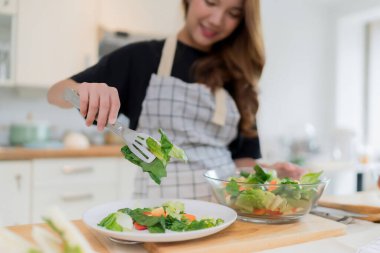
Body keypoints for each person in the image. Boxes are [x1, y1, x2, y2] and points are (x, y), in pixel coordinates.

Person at [47, 0, 304, 200]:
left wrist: (270, 173)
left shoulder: (238, 77)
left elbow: (242, 161)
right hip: (158, 216)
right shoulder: (140, 57)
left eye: (233, 13)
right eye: (211, 2)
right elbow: (56, 93)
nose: (216, 20)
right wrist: (83, 91)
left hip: (225, 212)